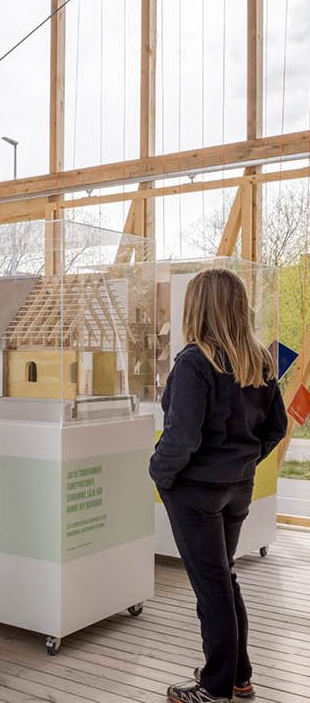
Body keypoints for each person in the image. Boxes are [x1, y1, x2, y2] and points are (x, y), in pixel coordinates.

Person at [151, 269, 287, 703]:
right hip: (236, 488)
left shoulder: (196, 361)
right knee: (224, 580)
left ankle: (215, 687)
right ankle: (237, 675)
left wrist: (160, 472)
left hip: (195, 492)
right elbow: (276, 427)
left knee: (213, 588)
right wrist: (243, 462)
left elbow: (181, 437)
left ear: (198, 307)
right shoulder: (260, 360)